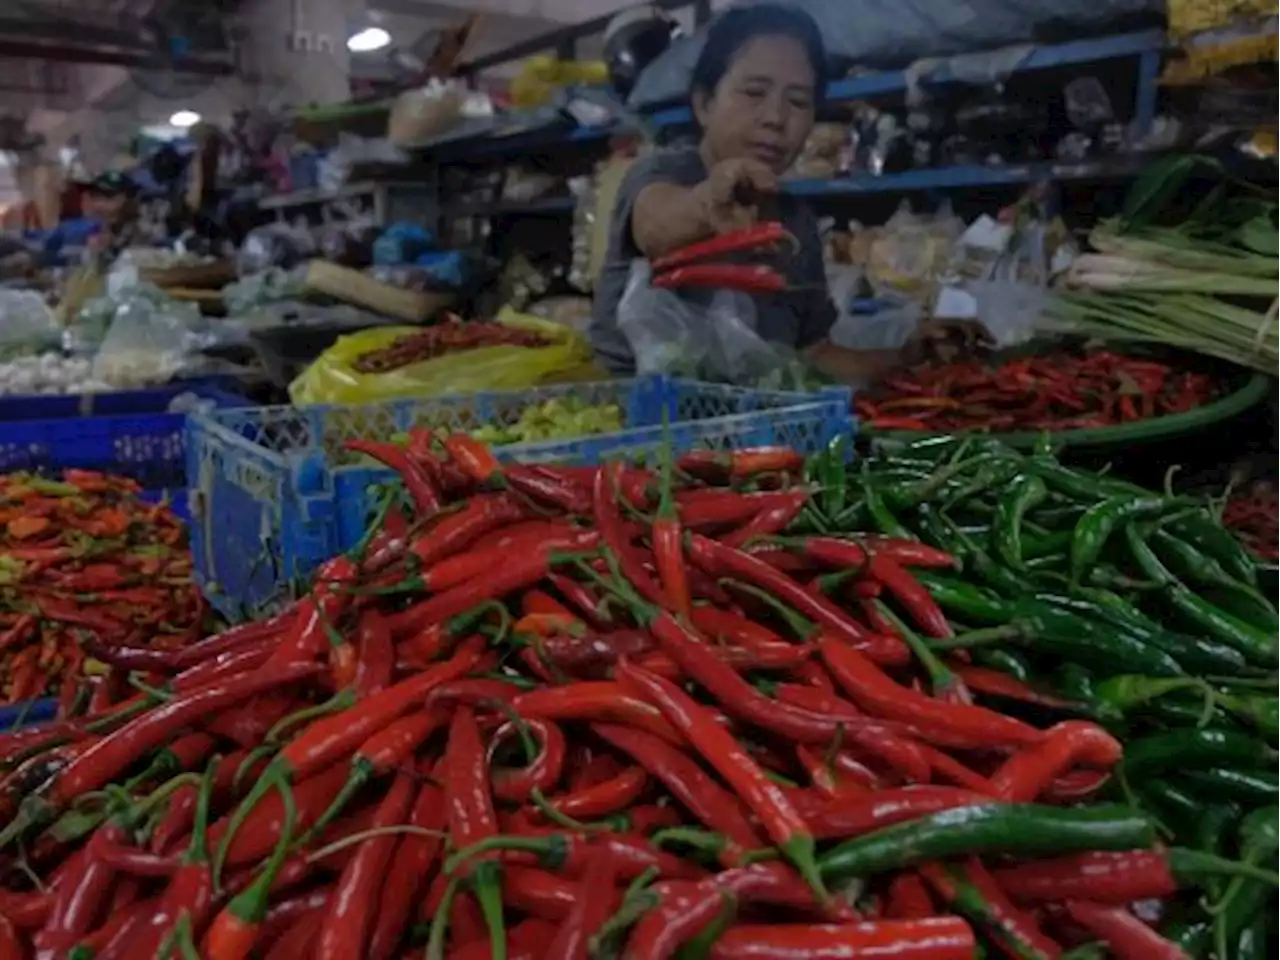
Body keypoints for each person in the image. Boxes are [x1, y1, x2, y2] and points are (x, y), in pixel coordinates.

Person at [591, 4, 970, 383]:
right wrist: (707, 202)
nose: (775, 117)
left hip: (746, 437)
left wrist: (906, 355)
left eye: (799, 102)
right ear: (705, 103)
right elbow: (656, 225)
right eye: (754, 92)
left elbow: (815, 357)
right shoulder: (663, 174)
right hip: (634, 424)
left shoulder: (794, 224)